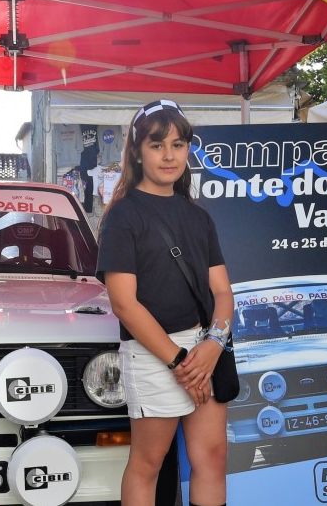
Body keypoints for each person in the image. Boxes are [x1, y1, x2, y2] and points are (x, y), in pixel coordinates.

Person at [96, 99, 233, 506]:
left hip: (203, 350)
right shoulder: (123, 216)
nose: (169, 155)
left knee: (212, 458)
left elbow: (223, 292)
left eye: (178, 144)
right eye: (157, 145)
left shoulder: (198, 217)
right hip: (154, 354)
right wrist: (179, 362)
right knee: (148, 465)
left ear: (188, 149)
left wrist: (213, 345)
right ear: (138, 152)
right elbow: (124, 304)